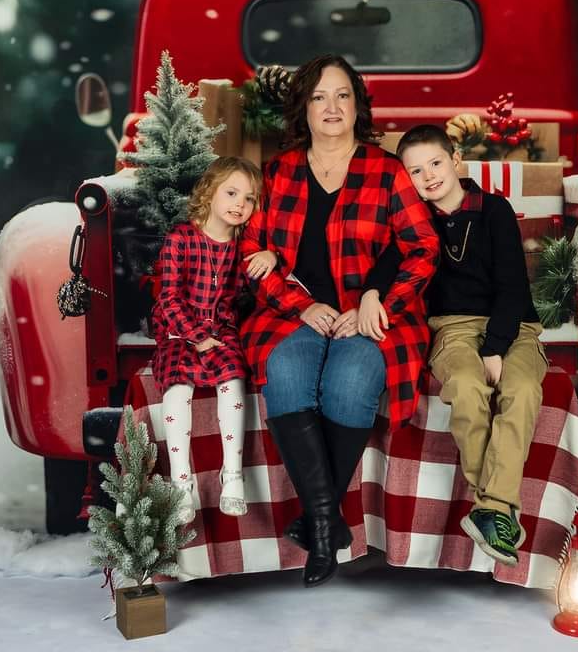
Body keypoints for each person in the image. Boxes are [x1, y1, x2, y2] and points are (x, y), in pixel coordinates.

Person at [240, 54, 439, 587]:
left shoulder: (386, 171)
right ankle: (329, 526)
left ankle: (317, 523)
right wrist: (301, 306)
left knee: (350, 382)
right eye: (319, 97)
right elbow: (252, 252)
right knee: (285, 373)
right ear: (303, 108)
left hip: (368, 315)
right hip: (294, 312)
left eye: (343, 95)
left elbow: (423, 248)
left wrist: (381, 303)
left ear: (357, 105)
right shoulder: (279, 173)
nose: (332, 107)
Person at [391, 124, 547, 566]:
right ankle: (497, 510)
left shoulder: (494, 210)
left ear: (455, 160)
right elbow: (389, 270)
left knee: (522, 390)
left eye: (435, 163)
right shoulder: (412, 222)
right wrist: (368, 295)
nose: (429, 176)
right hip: (453, 329)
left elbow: (512, 285)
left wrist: (496, 347)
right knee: (465, 385)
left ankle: (489, 507)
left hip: (514, 326)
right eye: (416, 171)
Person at [152, 156, 277, 525]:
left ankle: (232, 475)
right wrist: (195, 335)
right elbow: (169, 297)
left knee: (233, 380)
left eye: (250, 199)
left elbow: (247, 289)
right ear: (209, 192)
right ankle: (181, 483)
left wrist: (269, 255)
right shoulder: (181, 237)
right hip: (179, 331)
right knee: (177, 389)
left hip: (220, 330)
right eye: (232, 193)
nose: (241, 204)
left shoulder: (241, 246)